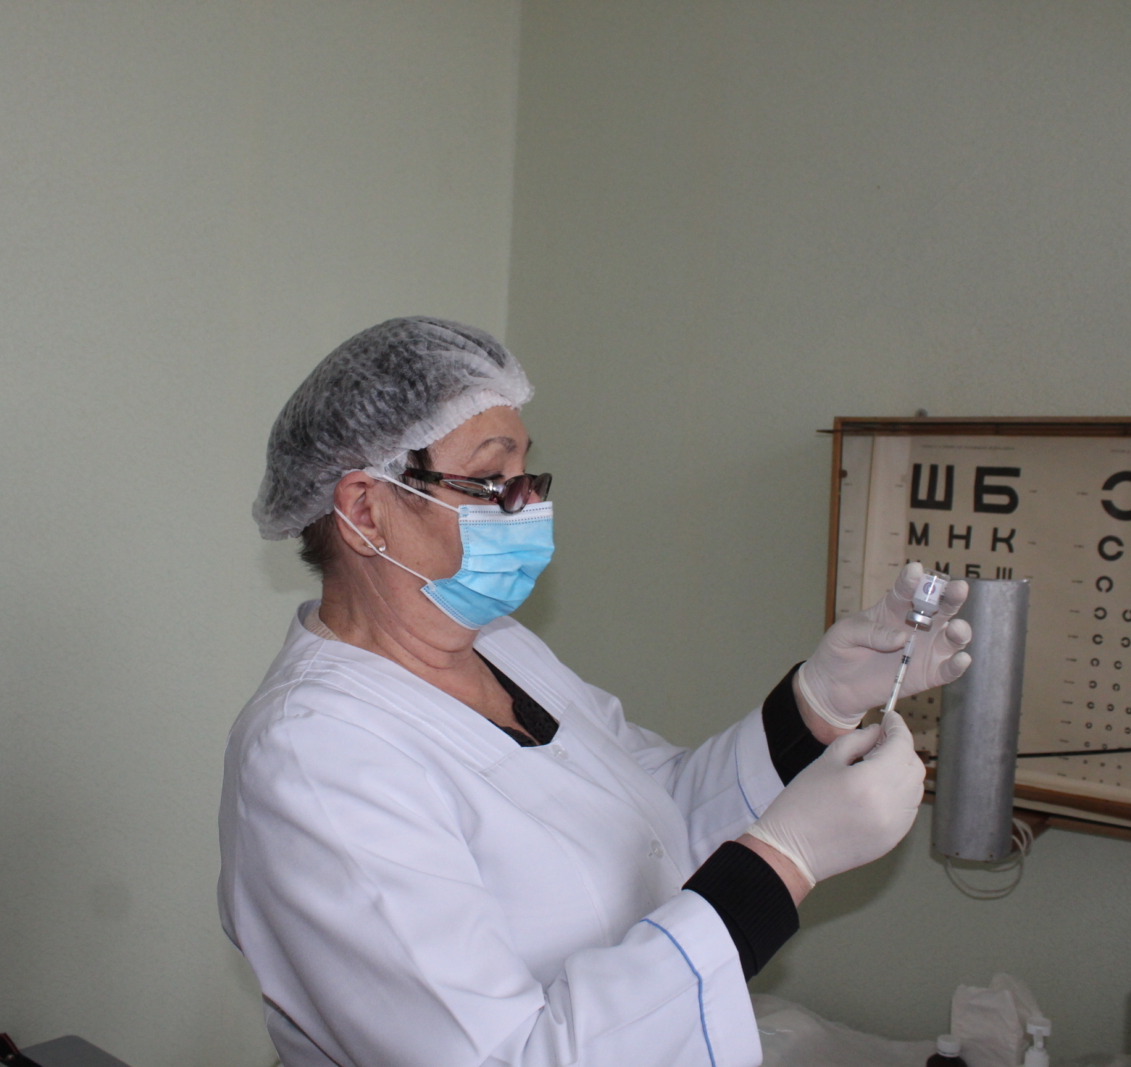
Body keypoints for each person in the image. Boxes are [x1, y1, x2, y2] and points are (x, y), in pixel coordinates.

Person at [218, 317, 972, 1067]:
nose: (529, 506)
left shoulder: (498, 645)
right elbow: (508, 1058)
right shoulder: (313, 756)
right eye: (494, 482)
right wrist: (784, 862)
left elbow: (654, 816)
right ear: (364, 510)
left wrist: (819, 703)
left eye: (528, 478)